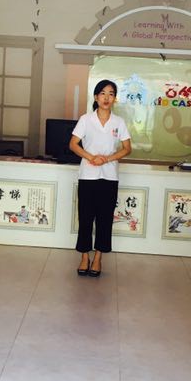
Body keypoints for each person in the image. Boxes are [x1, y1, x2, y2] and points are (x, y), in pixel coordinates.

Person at [69, 79, 132, 276]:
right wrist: (91, 158)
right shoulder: (86, 119)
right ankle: (84, 257)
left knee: (104, 220)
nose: (106, 97)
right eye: (103, 93)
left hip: (109, 177)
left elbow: (127, 148)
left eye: (111, 94)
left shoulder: (118, 122)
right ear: (96, 97)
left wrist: (107, 159)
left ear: (114, 99)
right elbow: (73, 144)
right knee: (86, 218)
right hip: (88, 176)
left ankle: (98, 258)